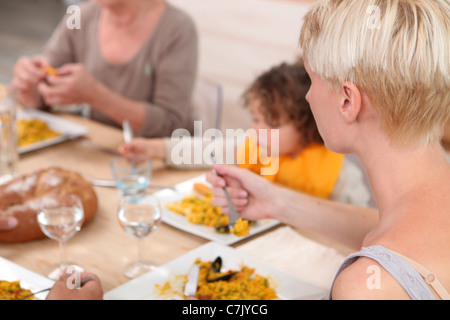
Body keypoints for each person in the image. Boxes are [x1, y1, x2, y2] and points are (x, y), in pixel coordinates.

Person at [207, 0, 450, 300]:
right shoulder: (422, 215)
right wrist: (276, 202)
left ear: (348, 101)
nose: (308, 96)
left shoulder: (366, 288)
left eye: (312, 79)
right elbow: (384, 224)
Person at [119, 61, 371, 206]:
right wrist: (155, 149)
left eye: (272, 124)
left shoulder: (341, 176)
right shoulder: (254, 147)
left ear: (309, 126)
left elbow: (361, 227)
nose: (257, 130)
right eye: (256, 119)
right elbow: (204, 150)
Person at [11, 0, 198, 137]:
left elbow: (171, 125)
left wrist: (96, 96)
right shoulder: (80, 16)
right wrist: (28, 85)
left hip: (156, 161)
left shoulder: (177, 29)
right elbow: (40, 96)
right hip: (99, 146)